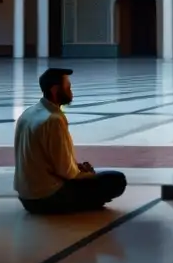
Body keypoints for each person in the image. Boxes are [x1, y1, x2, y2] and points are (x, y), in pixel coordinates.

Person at [14, 68, 127, 214]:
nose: (71, 91)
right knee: (116, 180)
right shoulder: (53, 120)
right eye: (68, 87)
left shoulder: (29, 113)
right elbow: (66, 172)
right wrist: (88, 175)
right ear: (55, 90)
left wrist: (77, 168)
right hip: (45, 197)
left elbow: (46, 160)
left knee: (91, 177)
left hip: (26, 195)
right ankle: (81, 204)